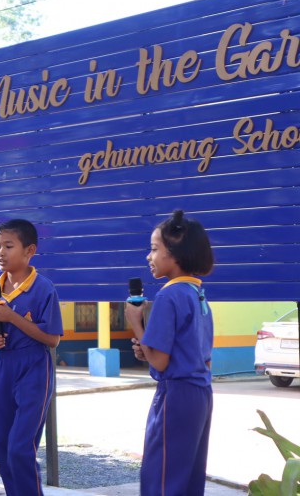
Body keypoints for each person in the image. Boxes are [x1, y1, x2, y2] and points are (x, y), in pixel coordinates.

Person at [125, 209, 215, 496]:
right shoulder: (198, 294)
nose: (148, 256)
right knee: (187, 477)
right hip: (201, 393)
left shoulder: (168, 295)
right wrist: (148, 350)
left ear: (175, 254)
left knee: (162, 477)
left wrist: (135, 322)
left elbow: (161, 362)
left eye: (154, 249)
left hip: (176, 395)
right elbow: (201, 356)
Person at [0, 219, 63, 496]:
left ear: (29, 250)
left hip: (35, 367)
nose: (0, 253)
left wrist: (12, 316)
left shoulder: (43, 288)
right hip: (6, 365)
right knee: (3, 447)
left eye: (8, 246)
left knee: (20, 447)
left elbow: (52, 339)